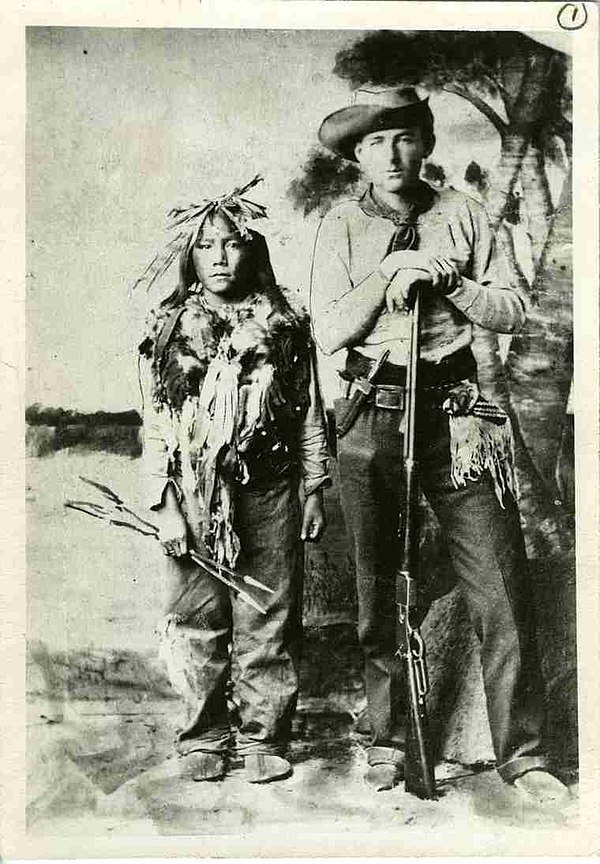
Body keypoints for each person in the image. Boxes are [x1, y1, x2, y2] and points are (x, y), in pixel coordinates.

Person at [310, 86, 569, 806]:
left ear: (424, 143)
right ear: (355, 158)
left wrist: (452, 285)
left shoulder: (463, 212)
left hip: (456, 416)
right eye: (372, 144)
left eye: (402, 138)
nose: (390, 156)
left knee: (501, 585)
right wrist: (390, 274)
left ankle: (524, 754)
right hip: (373, 411)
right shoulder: (340, 225)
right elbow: (329, 331)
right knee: (378, 589)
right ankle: (390, 740)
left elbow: (514, 311)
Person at [137, 179, 329, 784]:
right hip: (193, 493)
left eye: (232, 244)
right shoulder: (169, 328)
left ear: (253, 251)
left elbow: (309, 410)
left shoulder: (285, 321)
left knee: (267, 613)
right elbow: (158, 421)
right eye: (205, 246)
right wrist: (165, 506)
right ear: (189, 257)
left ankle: (262, 736)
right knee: (198, 616)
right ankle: (203, 734)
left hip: (269, 486)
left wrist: (314, 487)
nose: (219, 258)